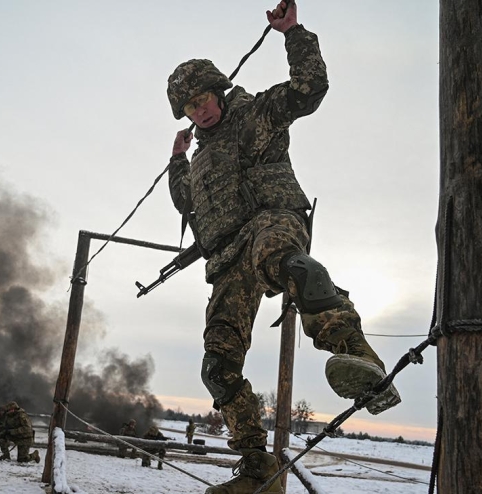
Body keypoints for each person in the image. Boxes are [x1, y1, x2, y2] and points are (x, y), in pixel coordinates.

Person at [165, 2, 400, 492]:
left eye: (203, 98)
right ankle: (256, 466)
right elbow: (185, 200)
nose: (200, 110)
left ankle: (360, 358)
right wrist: (178, 159)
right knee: (217, 365)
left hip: (269, 223)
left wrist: (293, 33)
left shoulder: (255, 114)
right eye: (189, 107)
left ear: (218, 90)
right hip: (225, 260)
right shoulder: (200, 159)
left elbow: (309, 88)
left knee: (291, 266)